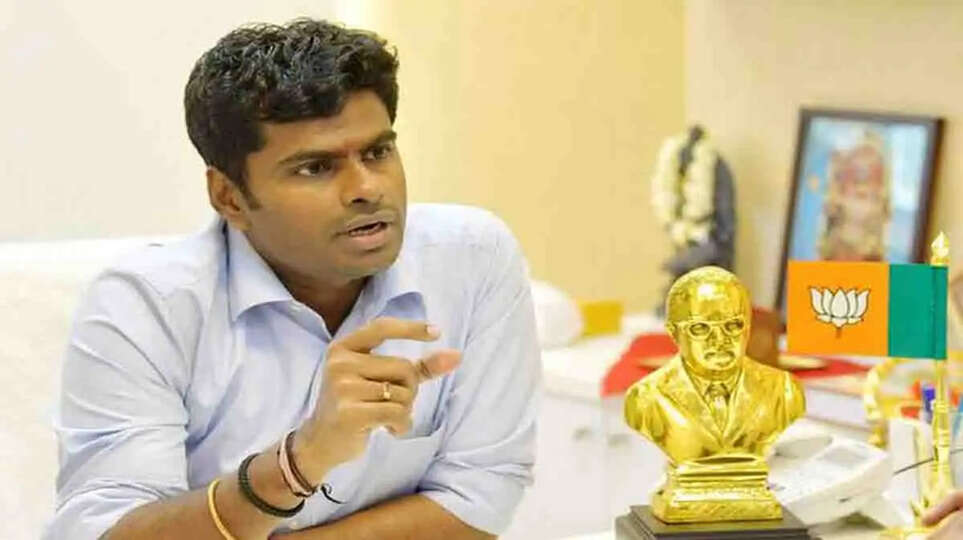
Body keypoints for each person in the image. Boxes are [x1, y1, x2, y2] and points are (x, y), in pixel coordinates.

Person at [45, 18, 540, 540]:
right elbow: (102, 533)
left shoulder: (471, 258)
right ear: (230, 197)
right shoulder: (146, 305)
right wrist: (297, 465)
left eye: (377, 152)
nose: (367, 188)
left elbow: (481, 495)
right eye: (315, 168)